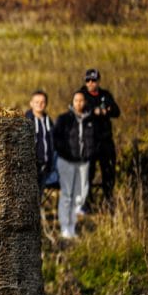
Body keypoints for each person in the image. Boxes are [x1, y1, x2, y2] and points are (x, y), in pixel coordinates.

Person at [52, 90, 96, 239]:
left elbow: (95, 139)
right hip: (66, 161)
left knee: (79, 196)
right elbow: (55, 138)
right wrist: (64, 152)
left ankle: (72, 226)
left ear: (85, 102)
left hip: (83, 162)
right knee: (67, 195)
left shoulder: (90, 119)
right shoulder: (64, 119)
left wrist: (90, 153)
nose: (79, 103)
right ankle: (65, 227)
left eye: (81, 100)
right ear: (72, 102)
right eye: (76, 100)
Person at [77, 68, 120, 205]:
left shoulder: (105, 94)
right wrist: (93, 112)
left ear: (98, 81)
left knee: (108, 171)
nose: (90, 83)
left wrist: (106, 111)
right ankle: (88, 202)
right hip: (89, 141)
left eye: (93, 80)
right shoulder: (81, 94)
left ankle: (108, 199)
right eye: (88, 80)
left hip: (105, 140)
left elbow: (116, 111)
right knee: (88, 172)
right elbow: (76, 111)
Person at [25, 90, 58, 190]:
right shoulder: (26, 121)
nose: (40, 104)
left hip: (45, 166)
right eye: (36, 102)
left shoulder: (48, 121)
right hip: (31, 167)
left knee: (39, 197)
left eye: (42, 102)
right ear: (31, 103)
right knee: (29, 196)